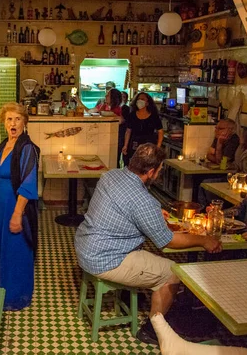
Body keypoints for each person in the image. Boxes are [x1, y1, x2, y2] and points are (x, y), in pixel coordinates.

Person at [75, 143, 222, 344]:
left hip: (85, 245)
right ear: (151, 171)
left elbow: (124, 207)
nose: (159, 173)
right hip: (105, 258)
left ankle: (144, 303)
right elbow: (168, 241)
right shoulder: (143, 200)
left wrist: (152, 214)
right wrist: (204, 240)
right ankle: (153, 330)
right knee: (173, 272)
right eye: (160, 170)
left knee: (154, 263)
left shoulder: (110, 175)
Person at [0, 102, 40, 310]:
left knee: (17, 251)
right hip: (2, 206)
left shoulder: (26, 148)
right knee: (3, 249)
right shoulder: (2, 147)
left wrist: (17, 214)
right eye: (9, 119)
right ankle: (1, 290)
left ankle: (15, 296)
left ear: (25, 122)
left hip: (17, 207)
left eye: (17, 119)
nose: (13, 123)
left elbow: (28, 184)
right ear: (4, 123)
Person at [122, 92, 163, 165]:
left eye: (142, 99)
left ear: (147, 103)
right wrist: (125, 145)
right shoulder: (132, 115)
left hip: (149, 145)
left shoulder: (154, 116)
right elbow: (128, 131)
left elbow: (160, 131)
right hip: (134, 144)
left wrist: (158, 147)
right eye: (138, 99)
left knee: (147, 165)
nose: (140, 101)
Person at [118, 91, 131, 167]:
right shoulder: (115, 108)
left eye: (124, 97)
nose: (122, 99)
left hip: (123, 136)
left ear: (126, 100)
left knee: (124, 158)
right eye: (120, 97)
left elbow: (121, 121)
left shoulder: (126, 108)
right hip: (118, 136)